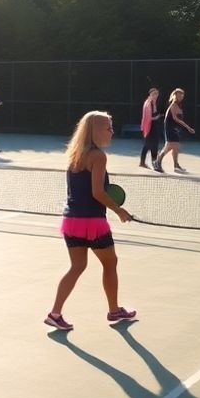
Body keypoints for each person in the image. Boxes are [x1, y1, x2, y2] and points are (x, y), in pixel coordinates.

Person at [44, 111, 135, 331]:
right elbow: (97, 192)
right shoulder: (98, 156)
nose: (112, 131)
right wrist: (119, 210)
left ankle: (54, 313)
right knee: (110, 263)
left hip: (71, 221)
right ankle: (114, 310)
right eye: (108, 127)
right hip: (92, 222)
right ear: (95, 130)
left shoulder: (75, 154)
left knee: (76, 266)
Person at [152, 88, 194, 173]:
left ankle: (176, 166)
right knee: (169, 147)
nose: (182, 96)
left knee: (176, 147)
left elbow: (179, 119)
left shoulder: (179, 105)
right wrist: (188, 127)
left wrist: (181, 128)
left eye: (183, 95)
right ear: (176, 95)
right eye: (180, 95)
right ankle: (157, 162)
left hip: (175, 129)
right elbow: (176, 119)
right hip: (169, 129)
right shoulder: (173, 105)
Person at [138, 88, 162, 169]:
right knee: (147, 145)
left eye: (157, 93)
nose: (156, 95)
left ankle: (154, 164)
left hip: (156, 126)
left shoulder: (157, 103)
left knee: (155, 145)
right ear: (150, 95)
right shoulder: (147, 104)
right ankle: (142, 162)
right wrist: (155, 118)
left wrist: (158, 117)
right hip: (149, 126)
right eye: (154, 93)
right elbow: (147, 117)